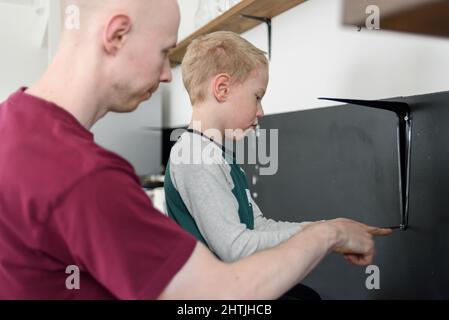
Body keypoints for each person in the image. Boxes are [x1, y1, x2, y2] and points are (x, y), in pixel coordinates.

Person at [0, 0, 392, 300]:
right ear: (116, 35)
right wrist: (330, 233)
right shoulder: (86, 175)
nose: (169, 74)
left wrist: (323, 229)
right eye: (163, 52)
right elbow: (221, 291)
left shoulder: (11, 123)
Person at [166, 31, 321, 263]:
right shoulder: (195, 157)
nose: (261, 111)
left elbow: (256, 226)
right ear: (222, 89)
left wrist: (321, 229)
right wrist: (325, 237)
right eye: (257, 97)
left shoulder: (216, 154)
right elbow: (236, 247)